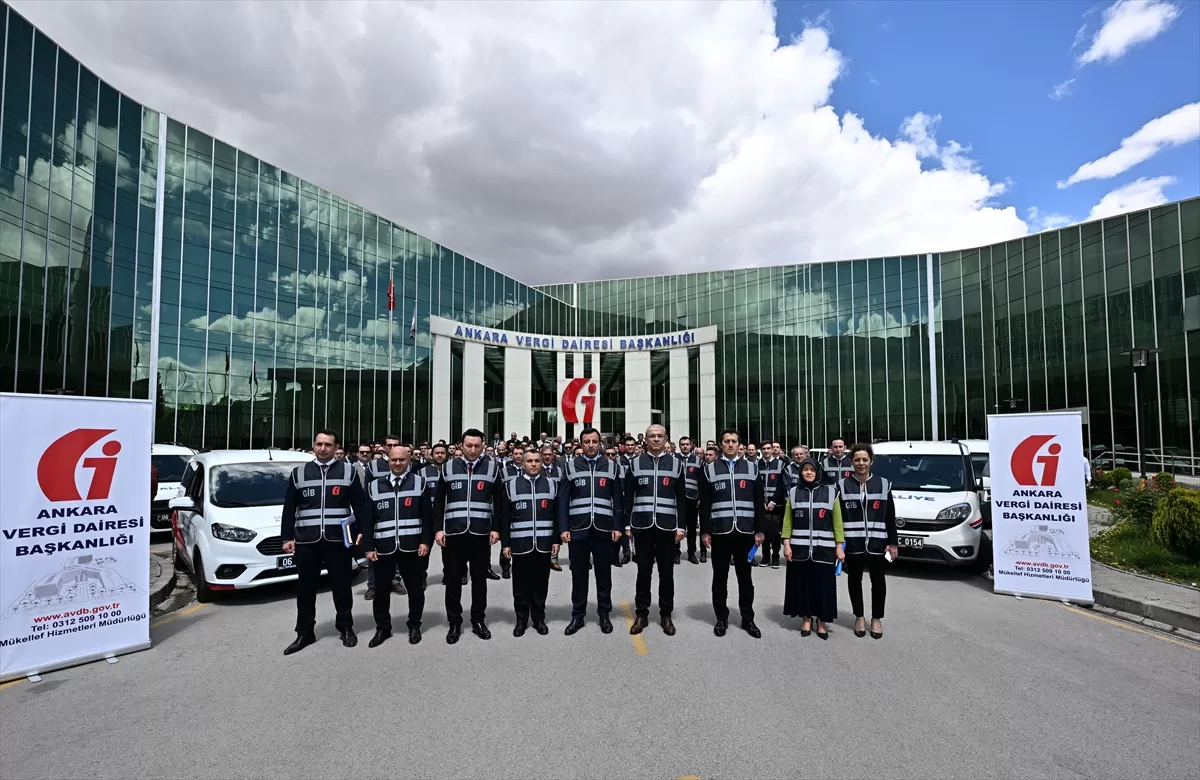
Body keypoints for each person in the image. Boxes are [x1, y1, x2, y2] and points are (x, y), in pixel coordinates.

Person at [280, 429, 369, 654]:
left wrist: (362, 530)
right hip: (306, 541)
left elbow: (359, 504)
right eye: (319, 444)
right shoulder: (299, 473)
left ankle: (346, 627)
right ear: (313, 445)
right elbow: (289, 508)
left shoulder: (348, 471)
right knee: (305, 588)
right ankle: (304, 632)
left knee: (342, 586)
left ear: (336, 447)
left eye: (328, 445)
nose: (322, 448)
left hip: (337, 540)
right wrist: (287, 537)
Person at [361, 444, 435, 647]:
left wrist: (425, 542)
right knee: (381, 590)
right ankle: (383, 628)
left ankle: (414, 625)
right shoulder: (374, 486)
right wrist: (368, 547)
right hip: (383, 548)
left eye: (402, 459)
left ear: (408, 460)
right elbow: (367, 520)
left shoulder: (420, 483)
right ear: (388, 460)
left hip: (412, 547)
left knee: (415, 590)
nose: (398, 463)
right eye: (394, 459)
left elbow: (427, 517)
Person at [434, 428, 502, 644]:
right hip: (454, 533)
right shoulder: (448, 467)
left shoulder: (492, 468)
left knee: (479, 580)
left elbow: (499, 501)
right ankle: (454, 622)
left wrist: (496, 528)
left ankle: (478, 620)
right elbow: (438, 501)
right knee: (453, 579)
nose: (472, 450)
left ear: (483, 446)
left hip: (481, 533)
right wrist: (438, 529)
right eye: (468, 445)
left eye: (477, 446)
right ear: (461, 446)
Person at [699, 429, 764, 639]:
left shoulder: (752, 468)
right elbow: (705, 503)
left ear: (739, 445)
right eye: (726, 441)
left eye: (734, 441)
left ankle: (748, 619)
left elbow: (759, 501)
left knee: (745, 578)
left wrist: (760, 530)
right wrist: (705, 531)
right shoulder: (709, 469)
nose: (730, 444)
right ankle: (721, 618)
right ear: (720, 445)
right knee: (720, 577)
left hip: (745, 532)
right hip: (720, 531)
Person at [559, 427, 624, 636]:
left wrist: (618, 526)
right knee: (579, 575)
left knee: (604, 575)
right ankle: (578, 615)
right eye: (586, 441)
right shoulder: (570, 466)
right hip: (578, 529)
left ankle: (604, 614)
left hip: (604, 529)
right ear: (581, 443)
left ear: (600, 443)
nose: (590, 445)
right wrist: (563, 528)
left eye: (594, 441)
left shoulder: (612, 466)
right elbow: (563, 500)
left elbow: (618, 500)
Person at [625, 424, 686, 636]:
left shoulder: (676, 464)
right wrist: (627, 524)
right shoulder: (635, 463)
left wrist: (681, 526)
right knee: (643, 573)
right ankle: (641, 614)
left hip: (667, 527)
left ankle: (666, 614)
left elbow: (681, 498)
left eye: (660, 436)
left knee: (666, 573)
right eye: (652, 436)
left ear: (666, 439)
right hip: (642, 527)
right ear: (646, 439)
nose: (656, 439)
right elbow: (628, 496)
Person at [776, 457, 843, 639]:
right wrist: (786, 544)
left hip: (825, 549)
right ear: (800, 472)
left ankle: (821, 621)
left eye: (812, 469)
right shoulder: (793, 492)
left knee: (823, 586)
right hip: (800, 549)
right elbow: (787, 521)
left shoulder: (831, 493)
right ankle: (806, 618)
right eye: (805, 469)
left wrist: (839, 546)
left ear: (818, 471)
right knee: (803, 585)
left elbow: (837, 523)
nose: (808, 472)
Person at [837, 442, 897, 639]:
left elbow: (890, 516)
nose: (861, 463)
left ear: (871, 461)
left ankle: (877, 618)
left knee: (878, 581)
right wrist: (839, 544)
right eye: (857, 460)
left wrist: (893, 543)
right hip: (852, 542)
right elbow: (838, 517)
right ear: (851, 461)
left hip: (878, 543)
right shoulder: (841, 485)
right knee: (854, 581)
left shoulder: (884, 484)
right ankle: (859, 617)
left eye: (865, 459)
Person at [499, 450, 560, 636]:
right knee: (520, 585)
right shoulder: (511, 485)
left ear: (542, 463)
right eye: (530, 461)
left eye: (537, 461)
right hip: (520, 544)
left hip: (543, 543)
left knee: (541, 584)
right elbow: (504, 518)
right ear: (522, 464)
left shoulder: (552, 485)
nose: (533, 464)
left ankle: (539, 619)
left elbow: (556, 515)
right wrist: (505, 544)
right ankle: (521, 620)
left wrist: (556, 540)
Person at [364, 435, 405, 600]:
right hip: (379, 513)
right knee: (375, 552)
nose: (392, 447)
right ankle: (373, 585)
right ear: (383, 447)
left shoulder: (406, 463)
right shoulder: (373, 466)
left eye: (396, 444)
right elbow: (367, 490)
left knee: (398, 548)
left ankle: (395, 581)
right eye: (389, 445)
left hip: (400, 512)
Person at [677, 436, 703, 564]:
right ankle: (675, 553)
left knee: (692, 528)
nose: (685, 446)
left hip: (692, 498)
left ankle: (691, 553)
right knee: (676, 526)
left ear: (691, 445)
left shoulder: (698, 460)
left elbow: (701, 480)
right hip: (677, 499)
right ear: (679, 446)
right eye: (682, 444)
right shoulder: (674, 459)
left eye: (687, 444)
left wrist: (700, 497)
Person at [758, 443, 785, 568]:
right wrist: (761, 501)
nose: (766, 451)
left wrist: (773, 501)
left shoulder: (781, 464)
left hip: (776, 505)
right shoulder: (757, 465)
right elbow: (756, 485)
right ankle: (765, 557)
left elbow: (781, 485)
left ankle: (775, 557)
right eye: (764, 449)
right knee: (764, 532)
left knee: (775, 533)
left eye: (768, 448)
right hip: (762, 505)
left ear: (772, 449)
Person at [541, 444, 565, 572]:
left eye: (549, 455)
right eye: (545, 454)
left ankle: (554, 560)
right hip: (541, 505)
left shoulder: (559, 471)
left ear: (553, 455)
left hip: (555, 504)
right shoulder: (537, 469)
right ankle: (543, 559)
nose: (547, 457)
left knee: (555, 531)